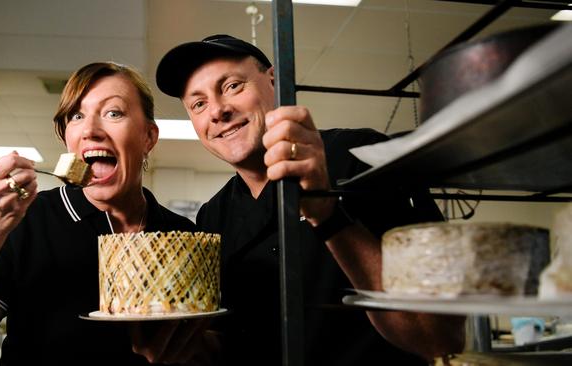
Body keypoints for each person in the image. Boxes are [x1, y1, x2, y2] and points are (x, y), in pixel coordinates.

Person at [155, 35, 466, 365]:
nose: (218, 110)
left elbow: (440, 336)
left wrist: (328, 214)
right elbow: (233, 341)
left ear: (274, 80)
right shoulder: (213, 217)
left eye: (232, 86)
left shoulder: (360, 157)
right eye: (198, 104)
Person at [0, 62, 201, 365]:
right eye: (77, 116)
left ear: (148, 137)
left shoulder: (183, 237)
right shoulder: (25, 220)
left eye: (114, 113)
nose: (91, 131)